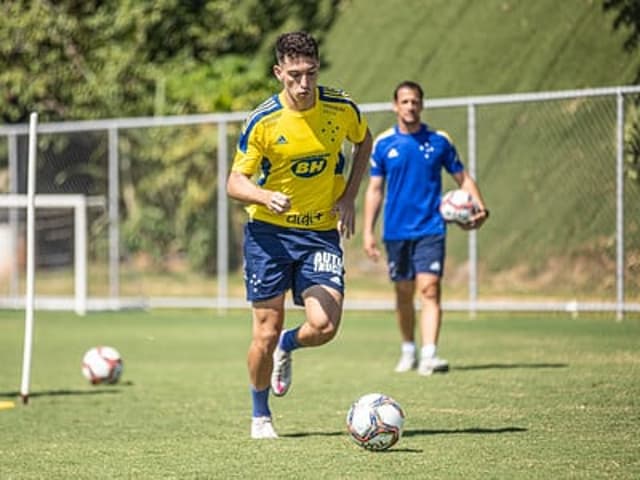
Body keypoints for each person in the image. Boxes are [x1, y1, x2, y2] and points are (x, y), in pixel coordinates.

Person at [227, 31, 372, 439]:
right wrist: (263, 194)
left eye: (310, 73)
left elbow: (365, 142)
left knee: (325, 326)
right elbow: (234, 182)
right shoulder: (263, 121)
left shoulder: (341, 108)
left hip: (320, 233)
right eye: (294, 75)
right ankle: (260, 415)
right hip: (268, 236)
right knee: (264, 331)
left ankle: (288, 345)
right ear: (278, 73)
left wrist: (349, 196)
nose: (304, 84)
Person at [362, 80, 489, 376]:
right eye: (404, 101)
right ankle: (409, 349)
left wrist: (480, 207)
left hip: (431, 227)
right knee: (404, 293)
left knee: (429, 290)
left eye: (415, 101)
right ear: (395, 106)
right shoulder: (383, 144)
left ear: (422, 105)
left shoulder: (439, 141)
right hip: (395, 231)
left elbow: (463, 178)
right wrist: (368, 232)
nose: (410, 106)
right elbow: (375, 190)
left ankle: (430, 354)